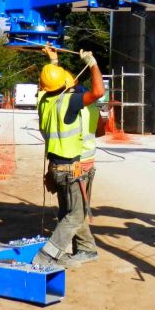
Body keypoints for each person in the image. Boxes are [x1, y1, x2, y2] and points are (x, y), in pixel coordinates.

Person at [32, 44, 105, 269]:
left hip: (55, 165)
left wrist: (53, 61)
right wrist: (92, 64)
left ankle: (87, 248)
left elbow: (49, 84)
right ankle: (47, 257)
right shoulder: (74, 103)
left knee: (69, 211)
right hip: (76, 167)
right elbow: (98, 93)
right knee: (75, 214)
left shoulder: (44, 101)